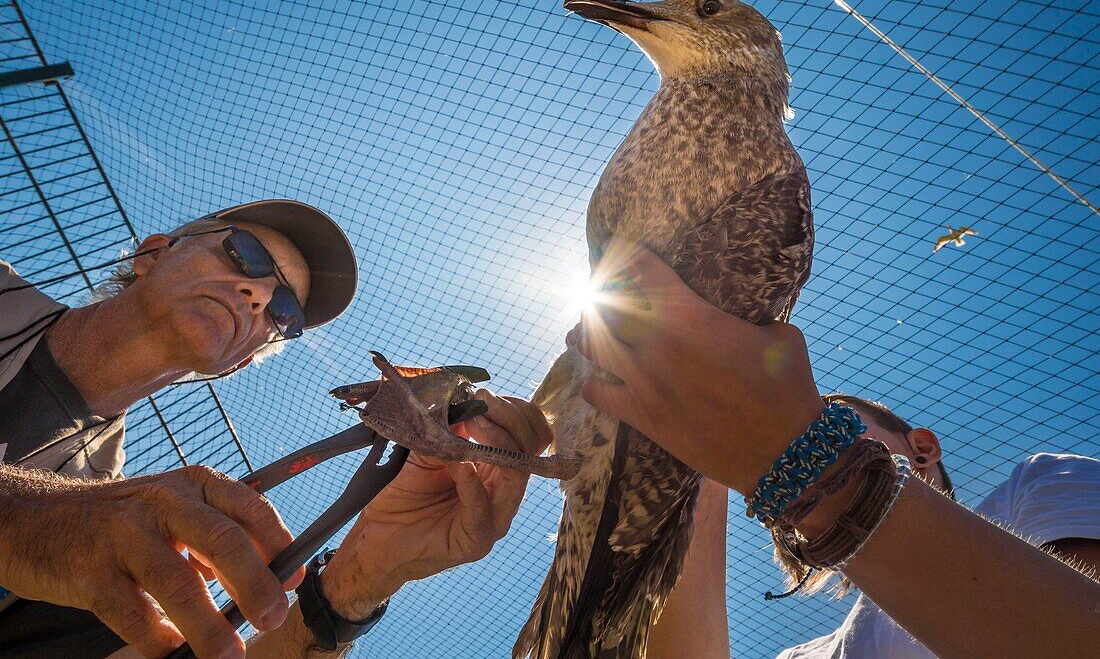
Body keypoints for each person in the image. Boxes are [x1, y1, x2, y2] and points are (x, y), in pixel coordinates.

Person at [0, 199, 552, 658]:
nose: (261, 294)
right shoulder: (91, 513)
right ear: (152, 253)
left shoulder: (102, 515)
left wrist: (357, 584)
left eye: (283, 312)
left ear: (240, 362)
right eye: (246, 253)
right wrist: (28, 520)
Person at [573, 239, 1100, 658]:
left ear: (922, 447)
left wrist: (808, 461)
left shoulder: (1038, 488)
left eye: (833, 420)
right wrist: (692, 468)